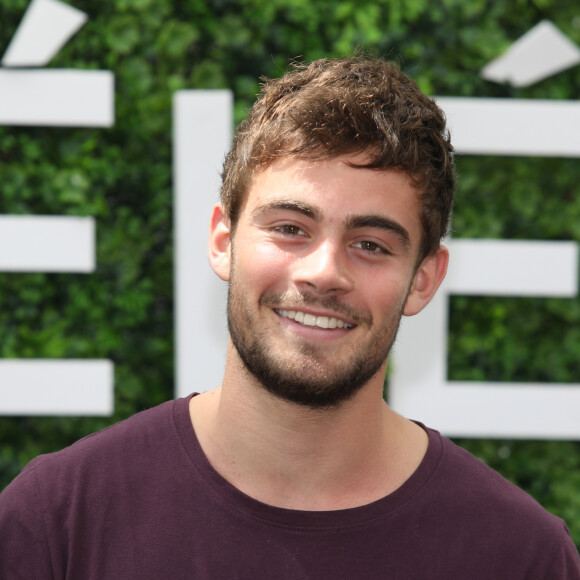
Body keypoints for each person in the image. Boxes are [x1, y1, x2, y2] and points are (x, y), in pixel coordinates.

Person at [1, 57, 579, 579]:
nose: (323, 272)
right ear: (223, 241)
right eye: (289, 228)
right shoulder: (57, 522)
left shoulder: (519, 555)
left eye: (371, 244)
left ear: (423, 279)